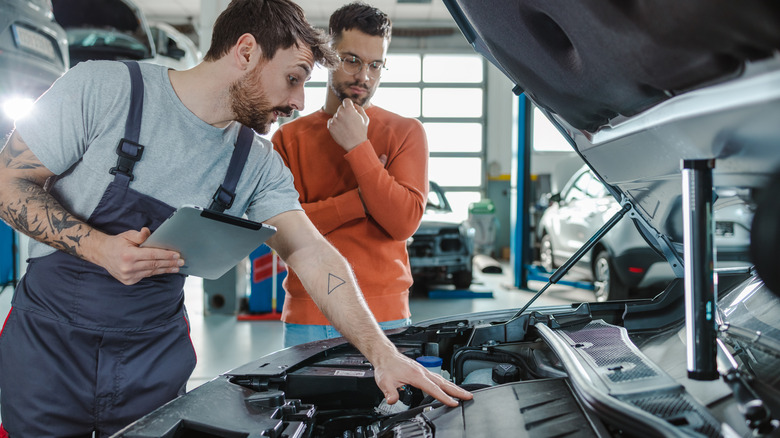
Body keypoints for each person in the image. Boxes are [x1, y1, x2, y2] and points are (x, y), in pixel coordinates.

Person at [0, 0, 470, 435]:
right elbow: (7, 183)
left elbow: (308, 250)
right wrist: (99, 248)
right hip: (50, 349)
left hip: (151, 358)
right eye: (294, 77)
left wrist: (382, 352)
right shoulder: (103, 88)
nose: (300, 102)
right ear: (246, 51)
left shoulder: (255, 162)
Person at [273, 2, 428, 347]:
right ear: (328, 55)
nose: (364, 77)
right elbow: (284, 235)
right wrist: (362, 201)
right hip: (309, 317)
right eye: (352, 60)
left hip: (386, 317)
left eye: (376, 65)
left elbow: (402, 222)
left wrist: (358, 147)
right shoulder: (288, 138)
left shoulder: (405, 132)